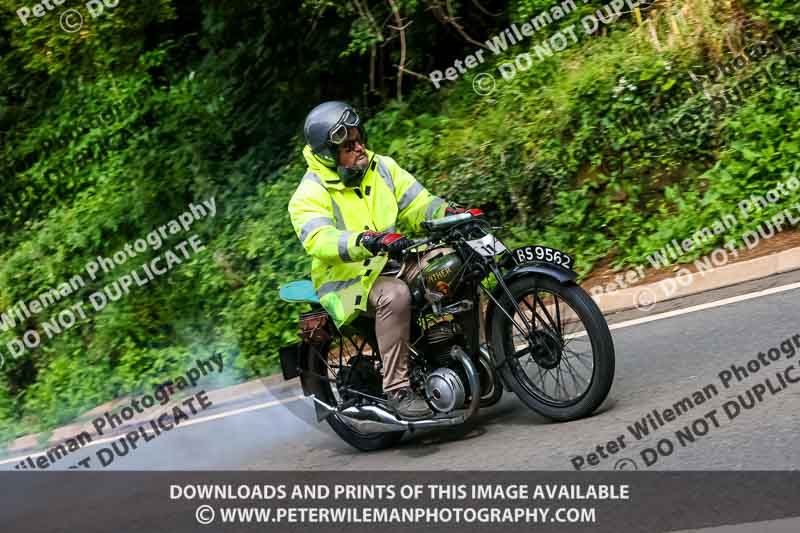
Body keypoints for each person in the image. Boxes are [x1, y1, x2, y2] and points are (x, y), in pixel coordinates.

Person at [288, 101, 466, 420]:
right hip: (345, 282)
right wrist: (365, 241)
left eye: (359, 138)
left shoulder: (380, 166)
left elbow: (418, 203)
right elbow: (319, 239)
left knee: (453, 262)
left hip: (393, 263)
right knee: (394, 296)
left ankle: (451, 353)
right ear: (329, 154)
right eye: (349, 144)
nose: (360, 146)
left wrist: (447, 212)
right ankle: (397, 389)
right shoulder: (308, 193)